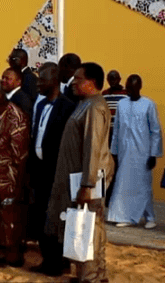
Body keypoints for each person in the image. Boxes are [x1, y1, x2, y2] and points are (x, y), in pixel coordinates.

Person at [46, 63, 114, 283]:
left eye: (78, 78)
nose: (73, 82)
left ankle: (90, 277)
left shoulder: (95, 107)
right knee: (84, 227)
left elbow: (93, 148)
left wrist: (87, 184)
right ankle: (93, 275)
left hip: (87, 181)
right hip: (78, 179)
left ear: (91, 82)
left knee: (88, 228)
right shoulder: (84, 104)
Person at [27, 62, 76, 276]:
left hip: (57, 171)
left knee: (55, 218)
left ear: (54, 80)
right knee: (40, 217)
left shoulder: (67, 107)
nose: (38, 84)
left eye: (42, 80)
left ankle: (58, 262)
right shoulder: (40, 105)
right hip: (39, 170)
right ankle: (48, 258)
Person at [107, 74, 162, 229]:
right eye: (127, 87)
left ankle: (150, 217)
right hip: (125, 153)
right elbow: (116, 130)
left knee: (143, 186)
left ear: (139, 87)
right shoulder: (122, 105)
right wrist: (114, 151)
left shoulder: (149, 104)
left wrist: (153, 154)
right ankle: (124, 216)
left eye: (132, 87)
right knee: (124, 185)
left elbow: (155, 131)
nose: (129, 90)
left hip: (143, 154)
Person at [0, 88, 30, 267]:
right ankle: (6, 249)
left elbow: (21, 155)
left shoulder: (15, 118)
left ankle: (14, 255)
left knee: (12, 217)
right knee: (2, 215)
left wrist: (18, 183)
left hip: (10, 176)